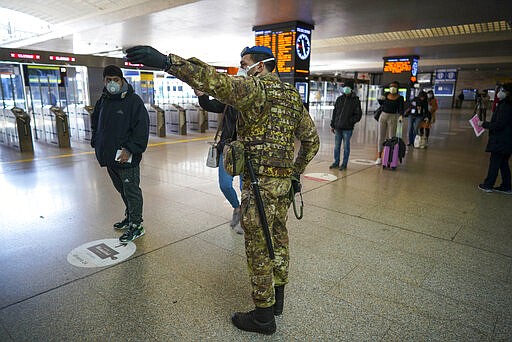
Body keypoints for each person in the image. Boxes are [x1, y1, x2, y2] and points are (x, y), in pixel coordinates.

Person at [125, 45, 319, 335]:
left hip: (259, 184)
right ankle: (277, 302)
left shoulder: (255, 89)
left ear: (261, 66)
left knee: (258, 247)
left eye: (244, 63)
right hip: (282, 186)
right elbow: (312, 141)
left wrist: (168, 63)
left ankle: (264, 317)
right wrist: (294, 173)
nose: (241, 68)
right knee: (278, 240)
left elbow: (214, 81)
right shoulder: (292, 96)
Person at [90, 65, 150, 242]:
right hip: (109, 157)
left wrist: (130, 148)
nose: (112, 83)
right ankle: (130, 217)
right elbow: (96, 123)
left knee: (131, 191)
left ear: (122, 80)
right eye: (108, 80)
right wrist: (96, 142)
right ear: (104, 81)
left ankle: (136, 225)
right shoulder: (103, 101)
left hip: (126, 157)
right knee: (122, 190)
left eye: (115, 80)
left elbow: (141, 129)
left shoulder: (134, 101)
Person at [195, 89, 243, 234]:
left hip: (248, 151)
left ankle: (247, 215)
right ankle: (237, 207)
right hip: (227, 148)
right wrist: (202, 95)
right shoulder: (229, 100)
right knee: (225, 184)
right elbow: (210, 106)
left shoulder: (256, 102)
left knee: (245, 187)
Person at [477, 83, 512, 194]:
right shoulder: (507, 104)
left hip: (501, 140)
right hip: (507, 140)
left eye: (502, 90)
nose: (499, 92)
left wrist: (484, 124)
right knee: (503, 163)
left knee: (495, 163)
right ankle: (506, 186)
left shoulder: (505, 106)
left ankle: (488, 185)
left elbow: (499, 124)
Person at [329, 80, 362, 170]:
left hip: (347, 128)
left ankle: (344, 164)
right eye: (344, 87)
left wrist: (350, 121)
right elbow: (335, 112)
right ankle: (336, 162)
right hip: (338, 127)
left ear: (351, 89)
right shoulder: (340, 99)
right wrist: (333, 124)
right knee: (336, 147)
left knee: (346, 147)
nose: (345, 89)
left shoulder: (355, 101)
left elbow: (358, 115)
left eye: (347, 87)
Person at [375, 81, 404, 165]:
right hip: (383, 115)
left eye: (394, 86)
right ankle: (379, 157)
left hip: (393, 117)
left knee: (392, 138)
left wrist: (401, 115)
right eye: (391, 86)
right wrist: (379, 99)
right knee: (381, 137)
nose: (392, 88)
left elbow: (401, 108)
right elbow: (381, 103)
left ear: (398, 88)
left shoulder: (400, 97)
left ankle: (390, 157)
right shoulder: (386, 94)